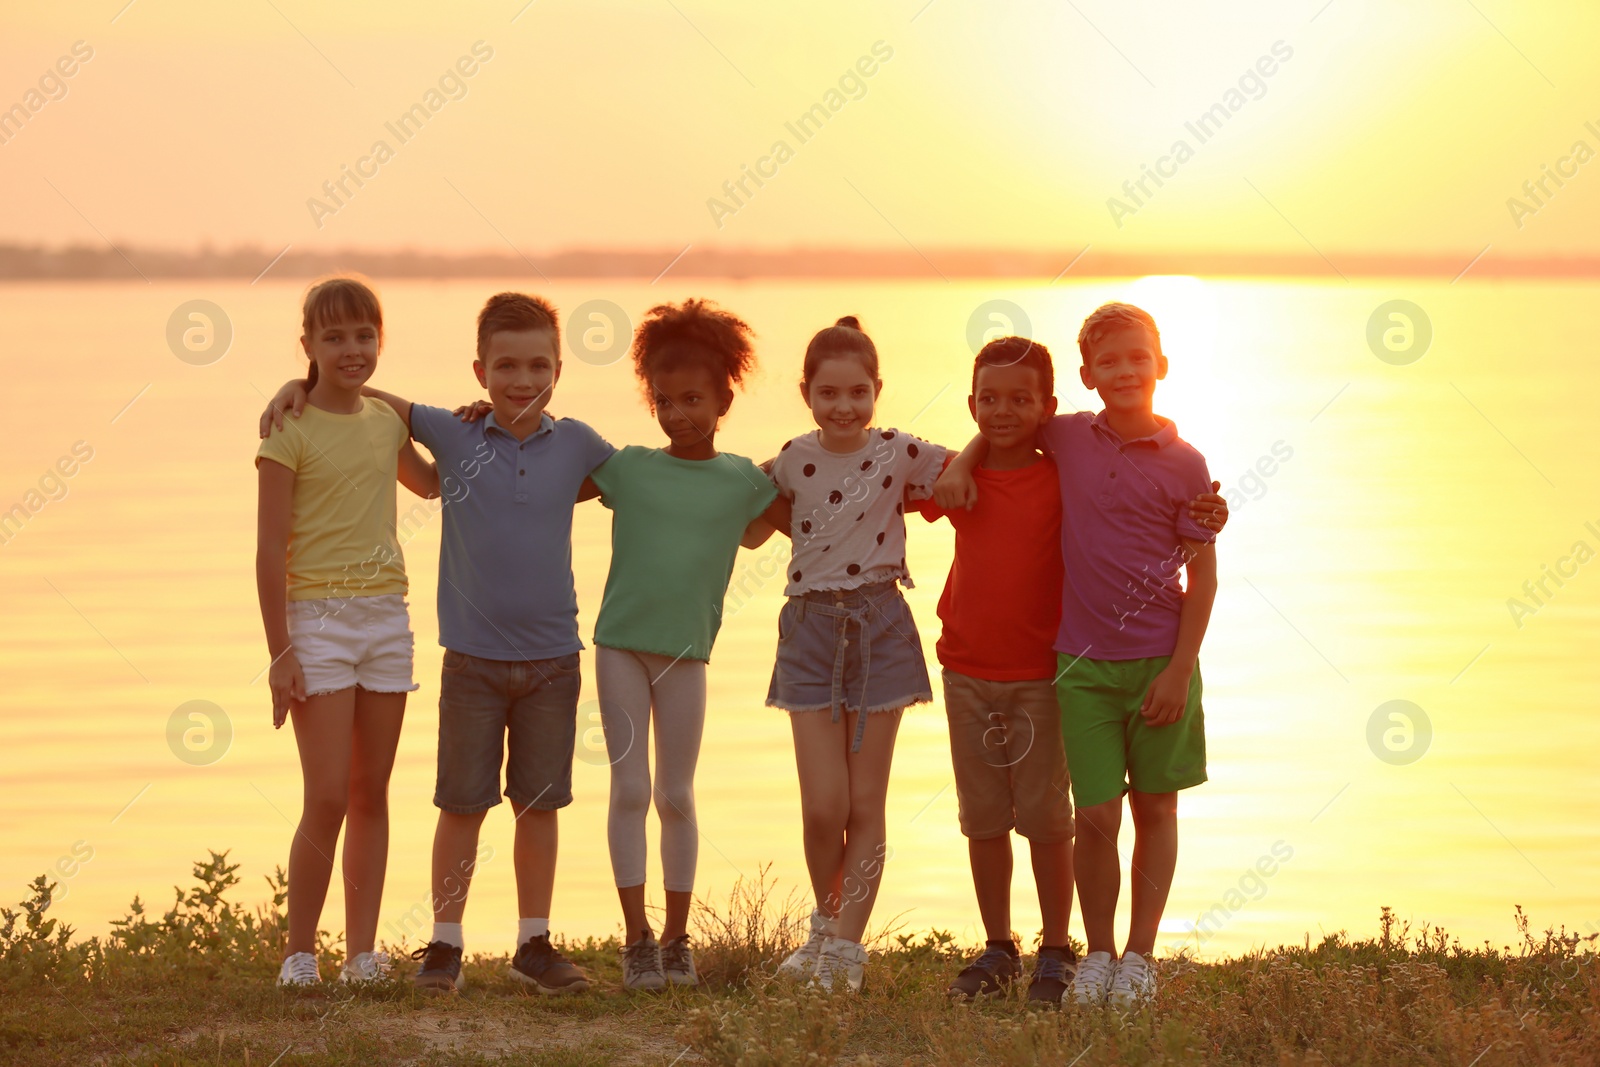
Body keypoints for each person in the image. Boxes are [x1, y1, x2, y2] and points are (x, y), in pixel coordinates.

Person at [261, 292, 612, 995]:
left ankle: (409, 950)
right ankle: (349, 949)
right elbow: (277, 543)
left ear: (559, 369)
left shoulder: (566, 443)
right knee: (379, 796)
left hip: (462, 635)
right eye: (505, 365)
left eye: (537, 364)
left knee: (408, 795)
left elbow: (441, 484)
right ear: (479, 369)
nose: (521, 378)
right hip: (385, 637)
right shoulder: (340, 428)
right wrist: (299, 381)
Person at [936, 303, 1220, 1011]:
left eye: (1138, 357)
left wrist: (1180, 668)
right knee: (1094, 815)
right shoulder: (1066, 436)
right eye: (1110, 362)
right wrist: (966, 455)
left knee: (1155, 807)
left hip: (1160, 661)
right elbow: (999, 428)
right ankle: (1094, 953)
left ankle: (1140, 955)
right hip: (1080, 667)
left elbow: (1203, 573)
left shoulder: (1186, 461)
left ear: (1161, 364)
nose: (1125, 372)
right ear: (1088, 375)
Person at [255, 276, 436, 986]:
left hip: (387, 618)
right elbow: (269, 551)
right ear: (308, 346)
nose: (352, 349)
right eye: (334, 338)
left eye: (364, 335)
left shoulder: (386, 424)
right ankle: (301, 952)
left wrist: (470, 420)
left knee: (371, 791)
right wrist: (281, 652)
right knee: (326, 793)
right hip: (317, 623)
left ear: (380, 341)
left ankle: (362, 953)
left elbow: (432, 484)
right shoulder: (287, 429)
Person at [765, 316, 948, 993]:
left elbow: (977, 466)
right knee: (824, 805)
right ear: (806, 391)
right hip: (809, 631)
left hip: (881, 626)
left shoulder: (901, 451)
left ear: (878, 390)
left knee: (865, 800)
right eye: (828, 393)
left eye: (858, 392)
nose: (844, 406)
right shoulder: (789, 457)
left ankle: (843, 951)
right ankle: (826, 920)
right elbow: (742, 499)